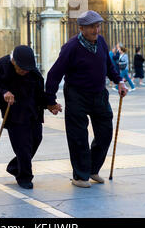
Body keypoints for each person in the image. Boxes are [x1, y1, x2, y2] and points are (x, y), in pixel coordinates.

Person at [45, 10, 128, 189]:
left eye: (98, 26)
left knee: (105, 132)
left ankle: (92, 168)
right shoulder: (71, 47)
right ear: (81, 28)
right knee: (78, 137)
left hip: (99, 94)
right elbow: (54, 74)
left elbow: (108, 65)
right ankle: (80, 175)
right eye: (91, 27)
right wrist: (50, 100)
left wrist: (119, 81)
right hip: (77, 95)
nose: (96, 30)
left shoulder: (101, 42)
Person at [0, 45, 61, 190]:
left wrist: (50, 105)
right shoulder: (1, 66)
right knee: (23, 146)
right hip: (14, 114)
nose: (24, 71)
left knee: (36, 140)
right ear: (13, 61)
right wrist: (4, 93)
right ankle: (25, 177)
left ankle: (15, 166)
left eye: (27, 69)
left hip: (32, 111)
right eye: (21, 68)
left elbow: (38, 93)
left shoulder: (32, 70)